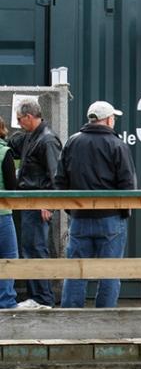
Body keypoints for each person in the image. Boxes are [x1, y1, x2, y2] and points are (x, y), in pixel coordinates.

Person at [54, 101, 136, 308]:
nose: (114, 121)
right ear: (108, 120)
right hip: (110, 219)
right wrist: (122, 212)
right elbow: (128, 184)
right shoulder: (118, 145)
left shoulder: (72, 142)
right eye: (114, 118)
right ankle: (104, 320)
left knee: (76, 272)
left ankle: (71, 320)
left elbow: (60, 180)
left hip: (79, 219)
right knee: (109, 273)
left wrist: (71, 209)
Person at [10, 99, 62, 306]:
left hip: (38, 204)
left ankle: (42, 298)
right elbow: (13, 146)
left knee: (36, 249)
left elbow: (56, 176)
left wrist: (48, 204)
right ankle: (36, 297)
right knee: (31, 248)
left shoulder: (47, 140)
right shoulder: (32, 137)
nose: (18, 122)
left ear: (29, 117)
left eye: (19, 119)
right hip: (30, 204)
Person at [0, 116, 19, 309]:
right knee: (8, 256)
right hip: (2, 215)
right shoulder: (5, 152)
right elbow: (12, 187)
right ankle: (5, 302)